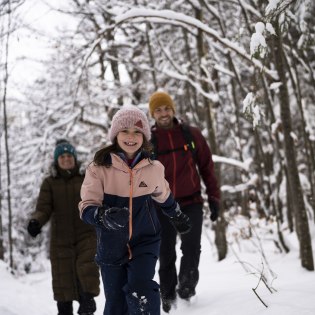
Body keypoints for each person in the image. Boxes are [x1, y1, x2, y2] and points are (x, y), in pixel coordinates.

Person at [78, 105, 191, 315]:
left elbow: (163, 195)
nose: (131, 137)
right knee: (116, 302)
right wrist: (101, 215)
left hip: (145, 240)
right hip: (111, 244)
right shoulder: (99, 168)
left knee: (142, 290)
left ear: (145, 136)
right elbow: (86, 207)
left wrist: (176, 214)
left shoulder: (153, 168)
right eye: (125, 131)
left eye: (137, 132)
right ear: (115, 135)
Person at [148, 91, 220, 312]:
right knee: (165, 252)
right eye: (158, 110)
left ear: (173, 110)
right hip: (162, 205)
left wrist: (214, 197)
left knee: (191, 248)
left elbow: (207, 167)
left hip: (191, 202)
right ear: (153, 114)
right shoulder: (150, 142)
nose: (163, 113)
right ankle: (168, 299)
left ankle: (187, 291)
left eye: (166, 108)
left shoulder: (191, 134)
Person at [27, 139, 100, 315]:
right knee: (63, 282)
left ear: (74, 158)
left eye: (69, 156)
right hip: (61, 241)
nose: (66, 159)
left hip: (86, 235)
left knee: (87, 269)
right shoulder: (50, 183)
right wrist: (36, 221)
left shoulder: (86, 177)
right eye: (62, 156)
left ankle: (87, 306)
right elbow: (43, 208)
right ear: (56, 160)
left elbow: (97, 199)